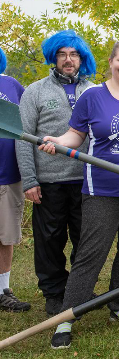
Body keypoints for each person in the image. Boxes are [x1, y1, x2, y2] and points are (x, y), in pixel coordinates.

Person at [42, 40, 119, 349]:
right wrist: (57, 140)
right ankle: (67, 317)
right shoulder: (91, 96)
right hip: (102, 189)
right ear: (110, 62)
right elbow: (76, 136)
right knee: (90, 253)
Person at [16, 30, 96, 315]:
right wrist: (30, 180)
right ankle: (54, 293)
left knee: (84, 238)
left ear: (81, 58)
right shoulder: (35, 91)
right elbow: (22, 137)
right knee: (49, 241)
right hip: (49, 181)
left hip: (86, 180)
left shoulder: (93, 90)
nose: (68, 60)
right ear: (54, 57)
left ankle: (80, 288)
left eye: (74, 54)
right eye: (62, 54)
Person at [0, 47, 31, 313]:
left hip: (8, 174)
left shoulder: (11, 85)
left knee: (5, 235)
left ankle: (3, 291)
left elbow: (27, 123)